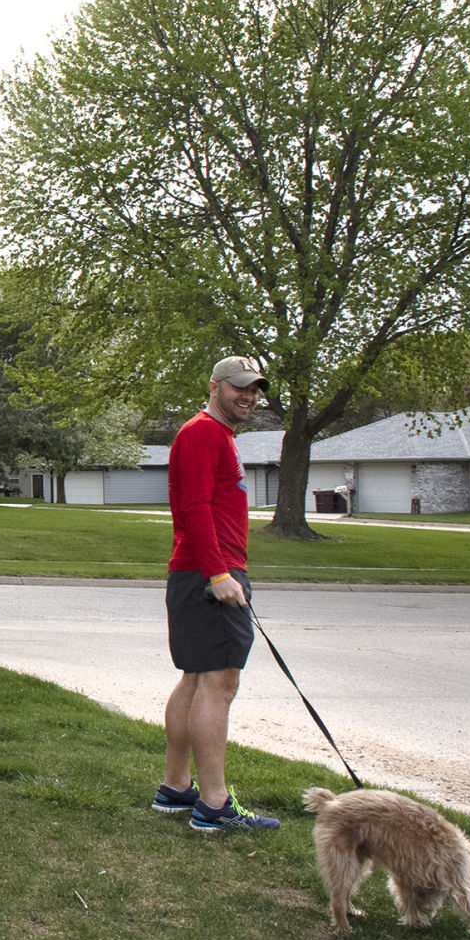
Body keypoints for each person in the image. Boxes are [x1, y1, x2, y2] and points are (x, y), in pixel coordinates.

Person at [152, 356, 281, 831]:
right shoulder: (205, 432)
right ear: (215, 387)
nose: (248, 396)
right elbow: (195, 506)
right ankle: (214, 804)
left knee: (195, 679)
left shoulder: (217, 436)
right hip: (210, 575)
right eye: (239, 387)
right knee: (219, 684)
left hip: (200, 572)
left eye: (254, 389)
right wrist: (218, 573)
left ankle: (176, 787)